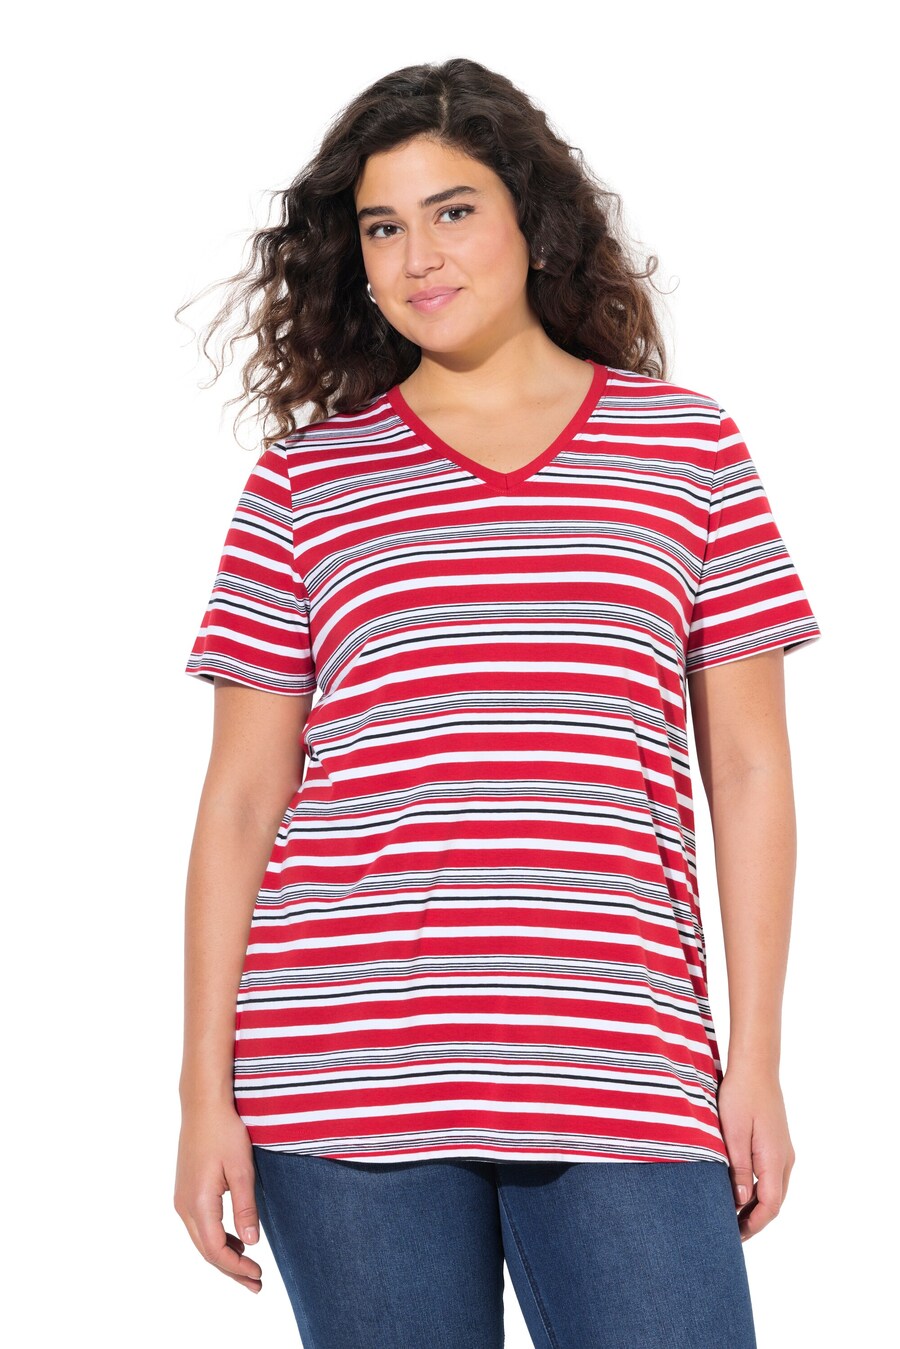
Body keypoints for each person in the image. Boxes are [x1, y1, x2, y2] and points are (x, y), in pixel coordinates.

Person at [173, 57, 822, 1349]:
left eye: (454, 210)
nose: (419, 255)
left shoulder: (686, 447)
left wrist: (754, 1057)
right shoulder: (307, 483)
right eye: (383, 226)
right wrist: (204, 1093)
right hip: (343, 1071)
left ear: (534, 220)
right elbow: (243, 798)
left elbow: (748, 769)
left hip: (622, 1055)